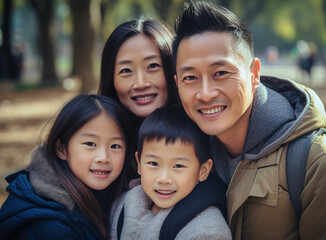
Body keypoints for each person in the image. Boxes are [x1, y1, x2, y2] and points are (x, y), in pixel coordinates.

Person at [173, 1, 326, 239]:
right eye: (190, 77)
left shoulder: (320, 164)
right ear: (177, 83)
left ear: (254, 73)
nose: (206, 93)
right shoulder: (181, 158)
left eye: (220, 73)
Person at [0, 95, 133, 239]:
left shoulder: (110, 196)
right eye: (90, 144)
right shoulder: (50, 228)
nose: (103, 157)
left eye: (115, 146)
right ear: (62, 149)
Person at [110, 106, 232, 239]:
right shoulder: (123, 207)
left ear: (203, 171)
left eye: (178, 166)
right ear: (139, 164)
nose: (163, 178)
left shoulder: (207, 230)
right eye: (153, 163)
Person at [98, 18, 180, 181]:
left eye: (152, 66)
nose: (141, 84)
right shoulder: (93, 143)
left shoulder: (205, 134)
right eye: (126, 70)